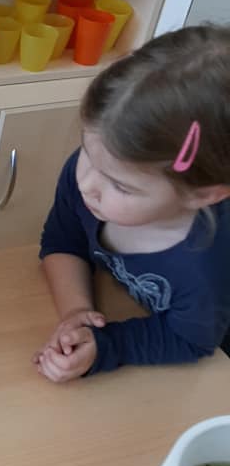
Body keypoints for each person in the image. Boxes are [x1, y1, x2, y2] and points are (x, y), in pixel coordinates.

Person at [34, 24, 230, 382]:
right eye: (87, 152)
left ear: (202, 194)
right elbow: (63, 241)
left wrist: (108, 345)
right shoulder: (95, 172)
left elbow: (191, 339)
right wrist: (77, 312)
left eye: (120, 186)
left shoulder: (207, 267)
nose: (86, 184)